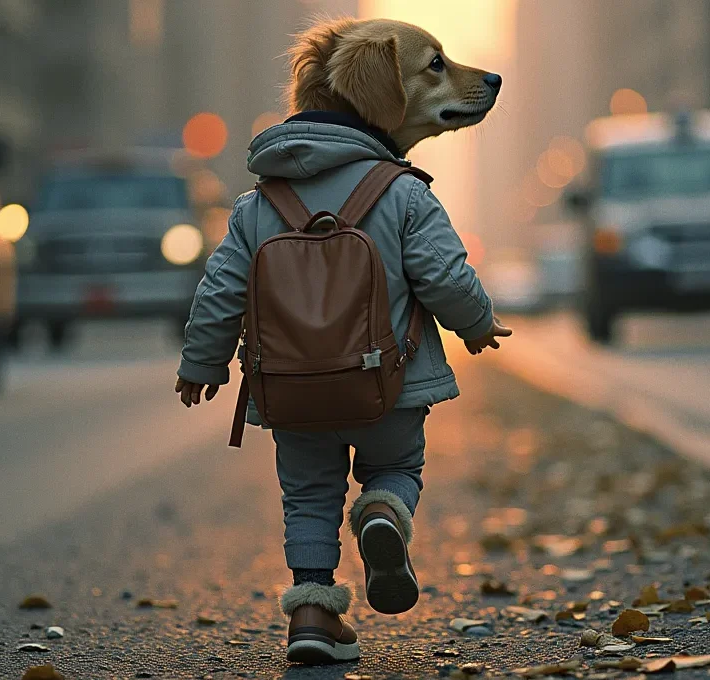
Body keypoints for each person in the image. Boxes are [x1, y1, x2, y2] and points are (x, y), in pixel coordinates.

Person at [171, 16, 511, 665]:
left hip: (293, 394)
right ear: (377, 90)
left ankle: (311, 619)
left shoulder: (256, 205)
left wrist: (202, 362)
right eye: (434, 66)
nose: (462, 77)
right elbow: (445, 275)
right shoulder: (405, 194)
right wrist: (477, 325)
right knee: (396, 466)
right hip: (391, 388)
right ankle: (383, 510)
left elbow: (218, 291)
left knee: (307, 497)